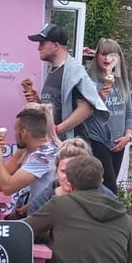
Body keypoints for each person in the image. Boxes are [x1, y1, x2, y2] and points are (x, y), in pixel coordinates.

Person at [23, 23, 113, 188]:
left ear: (56, 46)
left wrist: (57, 130)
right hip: (59, 148)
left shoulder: (73, 71)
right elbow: (58, 106)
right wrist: (38, 101)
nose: (38, 47)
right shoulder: (54, 70)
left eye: (42, 43)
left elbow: (86, 108)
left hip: (73, 149)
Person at [0, 106, 58, 215]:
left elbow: (8, 188)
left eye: (15, 130)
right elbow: (3, 182)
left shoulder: (42, 156)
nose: (14, 134)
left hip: (48, 219)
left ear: (24, 132)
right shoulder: (45, 149)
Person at [88, 38, 132, 193]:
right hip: (98, 140)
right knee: (109, 188)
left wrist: (128, 136)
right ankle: (111, 215)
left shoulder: (123, 83)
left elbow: (129, 114)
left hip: (119, 141)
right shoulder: (90, 81)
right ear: (97, 56)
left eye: (111, 55)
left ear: (118, 58)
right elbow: (85, 112)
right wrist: (99, 97)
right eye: (103, 54)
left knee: (110, 184)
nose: (107, 59)